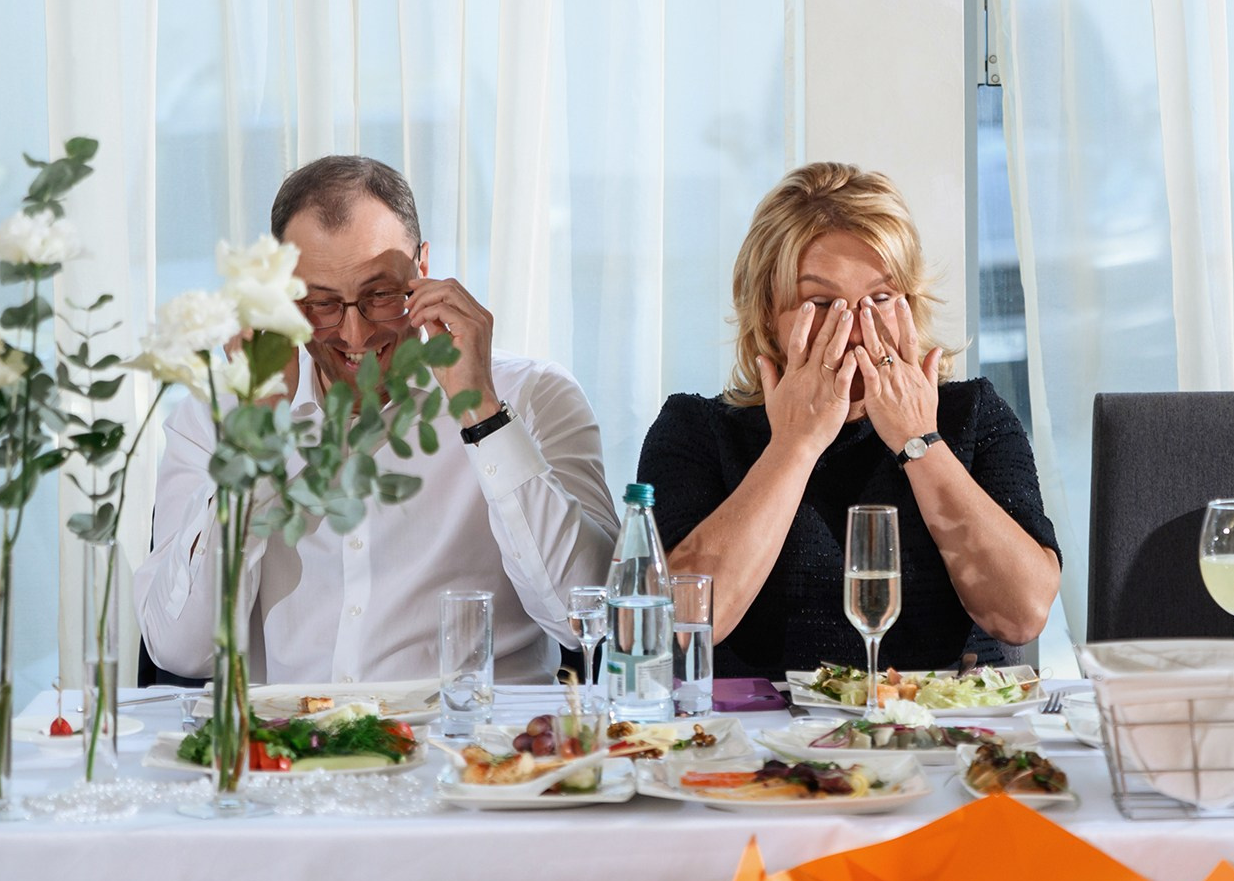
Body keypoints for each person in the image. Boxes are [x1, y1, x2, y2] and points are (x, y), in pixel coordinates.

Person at [137, 156, 621, 684]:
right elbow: (178, 650)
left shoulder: (533, 394)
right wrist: (257, 439)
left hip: (476, 751)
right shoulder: (215, 414)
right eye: (320, 303)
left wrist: (483, 413)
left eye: (380, 296)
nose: (355, 335)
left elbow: (586, 618)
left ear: (423, 267)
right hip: (294, 751)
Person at [637, 162, 1060, 681]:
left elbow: (1022, 615)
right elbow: (681, 621)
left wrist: (918, 439)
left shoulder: (972, 415)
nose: (857, 327)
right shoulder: (695, 428)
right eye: (821, 302)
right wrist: (794, 446)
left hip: (938, 735)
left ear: (909, 303)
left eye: (880, 298)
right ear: (768, 315)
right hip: (759, 743)